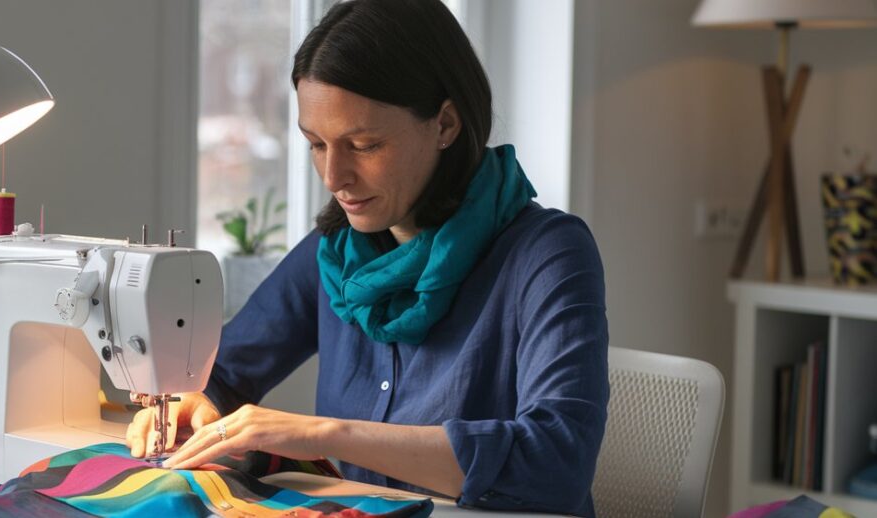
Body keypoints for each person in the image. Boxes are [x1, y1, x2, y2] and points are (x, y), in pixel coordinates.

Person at [126, 0, 609, 516]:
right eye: (316, 144)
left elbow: (558, 460)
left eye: (363, 145)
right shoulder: (334, 253)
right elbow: (222, 372)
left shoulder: (547, 253)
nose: (334, 177)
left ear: (445, 124)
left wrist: (325, 435)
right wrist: (192, 404)